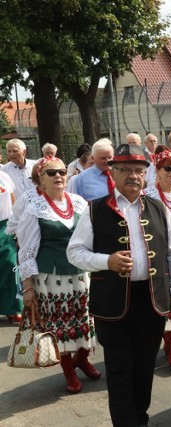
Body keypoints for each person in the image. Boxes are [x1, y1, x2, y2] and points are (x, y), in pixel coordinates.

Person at [67, 144, 171, 427]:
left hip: (151, 299)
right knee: (120, 370)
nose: (133, 176)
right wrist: (106, 260)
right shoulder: (95, 209)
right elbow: (74, 252)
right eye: (125, 170)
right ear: (113, 173)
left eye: (138, 170)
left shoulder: (158, 208)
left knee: (145, 367)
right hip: (113, 303)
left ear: (146, 174)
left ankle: (140, 419)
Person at [16, 156, 99, 393]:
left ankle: (81, 358)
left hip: (81, 274)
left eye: (62, 172)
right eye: (51, 173)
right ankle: (68, 369)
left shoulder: (79, 202)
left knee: (86, 320)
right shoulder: (35, 209)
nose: (58, 176)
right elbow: (27, 250)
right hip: (51, 279)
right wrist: (28, 286)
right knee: (59, 327)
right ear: (41, 180)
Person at [144, 146, 171, 368]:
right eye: (168, 168)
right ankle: (169, 346)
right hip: (159, 254)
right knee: (165, 300)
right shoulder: (148, 195)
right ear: (157, 171)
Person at [0, 169, 22, 324]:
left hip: (5, 226)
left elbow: (13, 200)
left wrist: (17, 224)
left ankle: (12, 309)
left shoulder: (4, 175)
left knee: (10, 265)